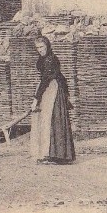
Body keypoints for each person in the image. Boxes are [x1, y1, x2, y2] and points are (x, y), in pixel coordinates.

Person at [29, 36, 75, 164]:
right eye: (37, 48)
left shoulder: (50, 59)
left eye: (42, 47)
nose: (40, 50)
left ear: (47, 46)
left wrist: (36, 99)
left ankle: (57, 155)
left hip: (52, 90)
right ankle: (51, 153)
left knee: (52, 119)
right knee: (47, 120)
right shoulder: (44, 58)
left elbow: (46, 80)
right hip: (48, 88)